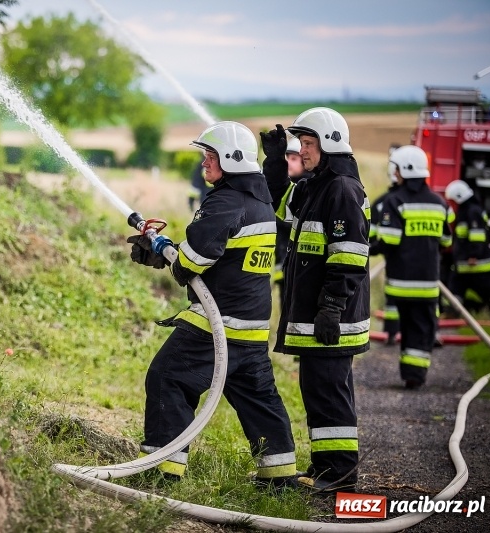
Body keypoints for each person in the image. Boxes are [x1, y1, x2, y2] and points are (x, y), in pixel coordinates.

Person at [127, 121, 297, 489]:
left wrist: (163, 251)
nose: (203, 163)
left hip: (215, 323)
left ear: (232, 160)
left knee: (168, 378)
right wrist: (168, 251)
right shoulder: (259, 200)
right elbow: (217, 253)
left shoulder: (225, 202)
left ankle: (163, 469)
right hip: (251, 325)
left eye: (210, 156)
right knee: (258, 398)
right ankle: (280, 477)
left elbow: (190, 264)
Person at [260, 108, 370, 494]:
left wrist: (331, 307)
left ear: (329, 144)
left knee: (329, 394)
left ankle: (339, 474)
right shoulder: (311, 187)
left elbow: (349, 256)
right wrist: (274, 164)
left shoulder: (341, 189)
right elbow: (271, 211)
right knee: (320, 393)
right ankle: (329, 469)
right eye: (300, 144)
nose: (301, 151)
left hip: (330, 317)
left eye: (308, 144)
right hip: (317, 315)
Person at [375, 145, 452, 390]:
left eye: (396, 168)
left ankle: (410, 373)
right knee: (422, 329)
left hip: (400, 284)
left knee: (407, 326)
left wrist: (367, 247)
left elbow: (389, 240)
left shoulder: (395, 200)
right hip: (428, 284)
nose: (394, 173)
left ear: (406, 169)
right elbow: (447, 241)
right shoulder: (439, 203)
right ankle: (414, 377)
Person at [444, 179, 490, 308]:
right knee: (455, 288)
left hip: (475, 264)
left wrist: (473, 255)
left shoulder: (471, 212)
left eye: (452, 201)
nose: (451, 204)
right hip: (464, 264)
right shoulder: (468, 210)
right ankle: (452, 310)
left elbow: (477, 237)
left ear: (458, 198)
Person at [273, 136, 312, 307]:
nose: (289, 162)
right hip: (283, 267)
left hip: (304, 270)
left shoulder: (310, 189)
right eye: (286, 158)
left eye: (294, 158)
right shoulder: (283, 187)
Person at [368, 145, 401, 345]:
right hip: (423, 264)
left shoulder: (383, 202)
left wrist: (371, 249)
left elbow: (372, 237)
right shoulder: (432, 201)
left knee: (394, 299)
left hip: (395, 262)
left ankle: (391, 333)